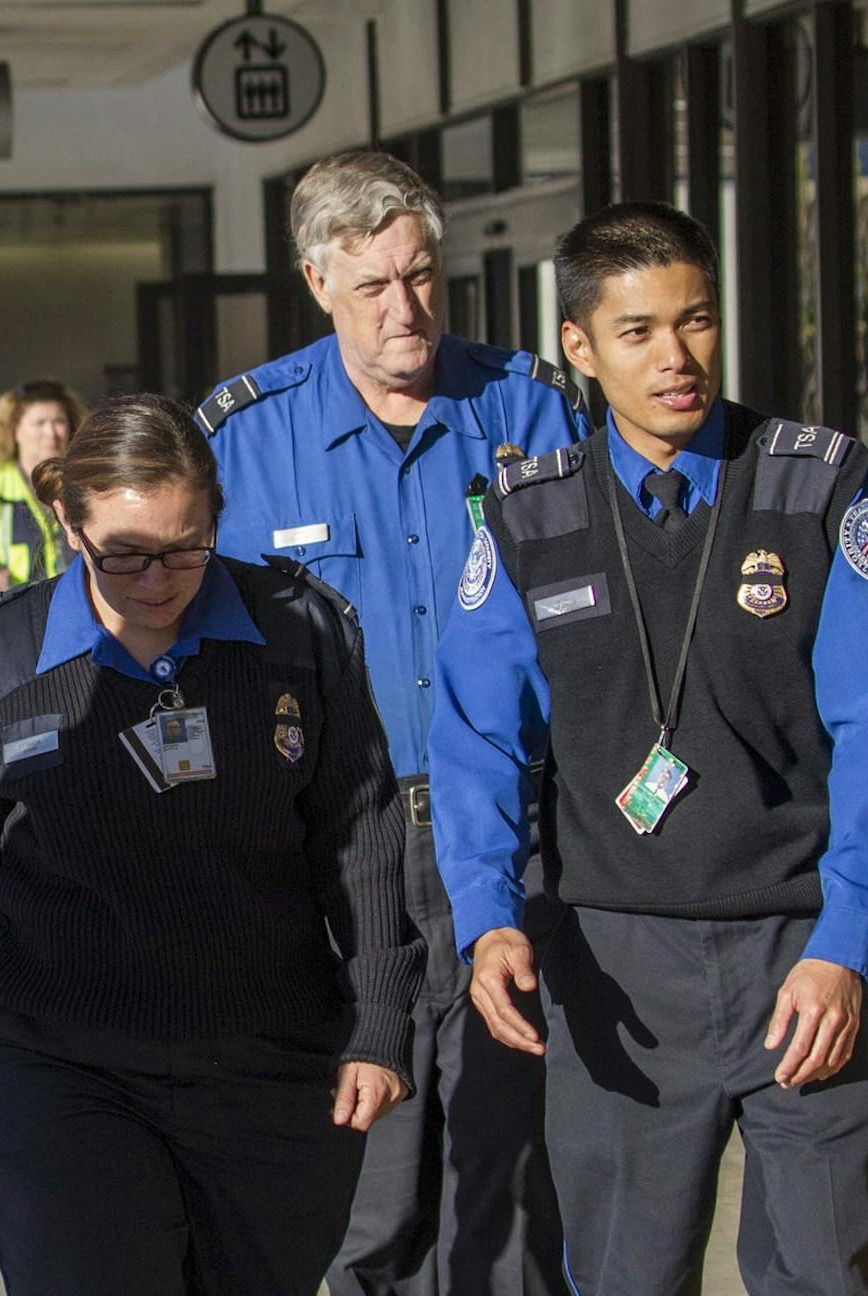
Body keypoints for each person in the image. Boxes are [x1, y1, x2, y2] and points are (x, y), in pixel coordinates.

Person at [430, 201, 868, 1291]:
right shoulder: (526, 517)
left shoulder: (818, 486)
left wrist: (845, 944)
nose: (676, 357)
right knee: (624, 1277)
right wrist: (488, 921)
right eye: (639, 330)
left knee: (828, 1271)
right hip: (615, 971)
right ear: (581, 347)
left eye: (695, 322)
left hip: (799, 959)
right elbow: (474, 740)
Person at [0, 393, 424, 1296]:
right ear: (69, 526)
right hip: (63, 1072)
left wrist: (382, 1023)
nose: (159, 578)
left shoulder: (302, 634)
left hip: (270, 1075)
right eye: (125, 554)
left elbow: (360, 843)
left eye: (187, 546)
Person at [200, 150, 582, 1296]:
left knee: (510, 1190)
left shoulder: (527, 410)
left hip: (510, 839)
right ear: (318, 282)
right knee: (361, 1185)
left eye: (423, 276)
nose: (406, 310)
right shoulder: (243, 441)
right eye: (374, 288)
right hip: (337, 855)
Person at [0, 379, 84, 601]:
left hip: (71, 607)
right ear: (15, 430)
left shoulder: (85, 480)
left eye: (58, 421)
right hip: (9, 614)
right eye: (39, 423)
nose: (50, 433)